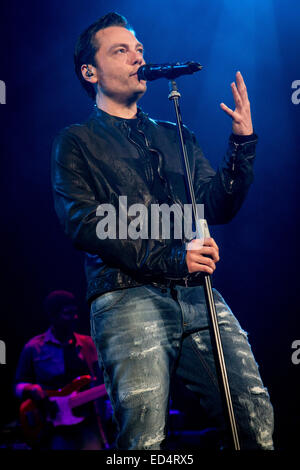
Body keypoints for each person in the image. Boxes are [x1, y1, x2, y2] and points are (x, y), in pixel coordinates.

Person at [51, 12, 274, 450]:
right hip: (126, 294)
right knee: (144, 438)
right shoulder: (75, 140)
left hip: (196, 292)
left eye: (139, 50)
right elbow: (82, 222)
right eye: (121, 50)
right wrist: (171, 256)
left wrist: (242, 143)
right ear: (90, 71)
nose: (137, 57)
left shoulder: (177, 135)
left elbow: (216, 205)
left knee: (253, 416)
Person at [14, 290, 108, 449]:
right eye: (68, 313)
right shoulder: (34, 348)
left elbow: (102, 379)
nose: (75, 317)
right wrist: (31, 388)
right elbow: (17, 386)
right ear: (53, 316)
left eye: (75, 312)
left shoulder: (88, 344)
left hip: (87, 423)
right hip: (53, 426)